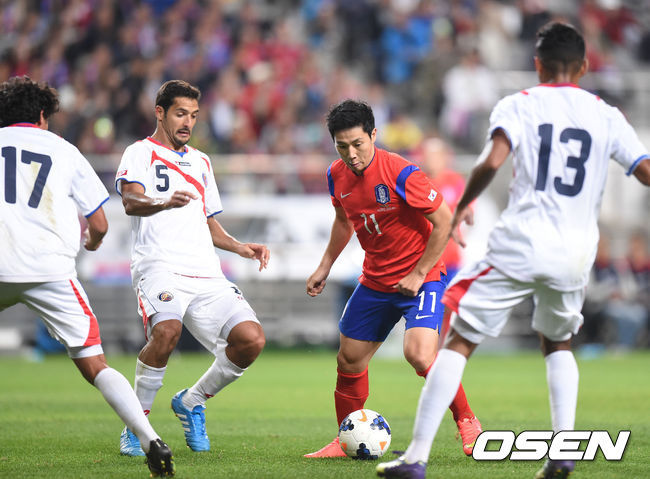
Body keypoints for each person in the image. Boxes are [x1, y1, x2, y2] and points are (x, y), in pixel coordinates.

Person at [377, 21, 650, 479]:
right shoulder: (607, 115)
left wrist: (461, 206)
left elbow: (492, 161)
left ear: (538, 65)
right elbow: (644, 170)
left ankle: (416, 457)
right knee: (558, 341)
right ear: (584, 67)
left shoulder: (520, 104)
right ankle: (562, 451)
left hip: (524, 241)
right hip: (576, 251)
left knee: (459, 338)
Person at [0, 76, 174, 477]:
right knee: (95, 363)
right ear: (41, 115)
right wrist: (92, 241)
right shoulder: (63, 150)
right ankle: (150, 439)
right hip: (50, 270)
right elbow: (99, 222)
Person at [305, 99, 482, 458]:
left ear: (374, 135)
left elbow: (443, 222)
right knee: (349, 359)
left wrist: (419, 273)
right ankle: (345, 439)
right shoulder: (335, 175)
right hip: (376, 280)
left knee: (419, 354)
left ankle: (467, 420)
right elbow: (343, 221)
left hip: (423, 277)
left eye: (358, 144)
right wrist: (325, 265)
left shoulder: (401, 173)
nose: (351, 154)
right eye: (342, 146)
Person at [115, 80, 269, 456]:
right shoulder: (139, 153)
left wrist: (240, 247)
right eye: (181, 114)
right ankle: (136, 427)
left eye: (194, 115)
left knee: (251, 340)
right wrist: (164, 202)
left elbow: (208, 221)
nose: (188, 122)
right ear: (160, 112)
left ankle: (191, 401)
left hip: (205, 272)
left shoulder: (201, 162)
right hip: (159, 266)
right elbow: (131, 201)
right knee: (166, 332)